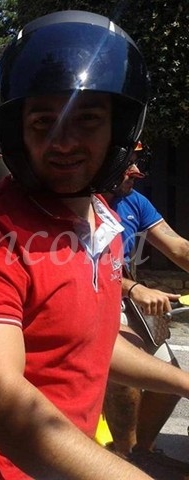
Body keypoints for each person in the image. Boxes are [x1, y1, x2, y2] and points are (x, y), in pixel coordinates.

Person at [0, 10, 189, 479]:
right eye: (43, 122)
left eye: (87, 121)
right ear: (17, 132)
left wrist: (184, 382)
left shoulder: (102, 223)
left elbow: (88, 343)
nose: (63, 142)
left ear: (120, 128)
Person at [102, 142, 189, 475]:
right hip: (97, 300)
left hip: (127, 299)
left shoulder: (134, 201)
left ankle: (142, 451)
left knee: (169, 377)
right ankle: (123, 460)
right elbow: (82, 268)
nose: (136, 173)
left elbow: (178, 247)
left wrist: (133, 291)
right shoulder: (82, 205)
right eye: (129, 163)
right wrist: (135, 289)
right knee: (124, 378)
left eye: (137, 162)